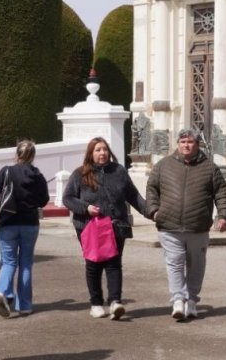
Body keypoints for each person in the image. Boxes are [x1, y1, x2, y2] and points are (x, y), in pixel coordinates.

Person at [146, 128, 226, 321]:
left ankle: (192, 300)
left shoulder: (210, 168)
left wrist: (224, 215)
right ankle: (178, 300)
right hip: (169, 225)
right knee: (175, 263)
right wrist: (154, 211)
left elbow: (221, 193)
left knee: (196, 265)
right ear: (177, 144)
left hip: (198, 226)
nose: (186, 145)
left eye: (190, 142)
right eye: (183, 141)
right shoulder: (163, 166)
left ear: (197, 144)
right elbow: (152, 189)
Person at [62, 136, 151, 320]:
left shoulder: (119, 171)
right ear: (91, 154)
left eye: (105, 149)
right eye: (98, 150)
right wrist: (85, 208)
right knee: (93, 264)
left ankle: (115, 302)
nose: (102, 153)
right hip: (89, 226)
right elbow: (68, 198)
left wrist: (151, 212)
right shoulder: (80, 174)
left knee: (114, 263)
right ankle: (96, 303)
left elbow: (133, 196)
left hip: (115, 225)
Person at [0, 139, 49, 318]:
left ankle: (3, 291)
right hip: (30, 222)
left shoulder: (6, 171)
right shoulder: (37, 175)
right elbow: (44, 200)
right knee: (26, 264)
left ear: (16, 154)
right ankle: (24, 305)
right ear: (33, 156)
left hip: (8, 221)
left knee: (9, 262)